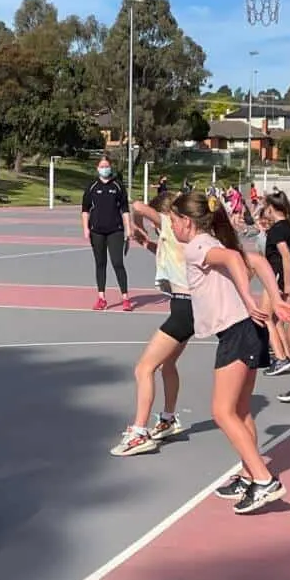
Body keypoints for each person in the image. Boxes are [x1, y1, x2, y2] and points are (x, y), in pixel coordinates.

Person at [173, 191, 290, 515]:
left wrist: (251, 299)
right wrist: (276, 296)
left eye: (173, 221)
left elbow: (238, 261)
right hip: (247, 331)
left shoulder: (199, 246)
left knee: (222, 412)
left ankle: (264, 480)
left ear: (186, 222)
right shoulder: (214, 241)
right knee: (241, 411)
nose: (172, 227)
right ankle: (248, 473)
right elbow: (256, 260)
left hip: (238, 332)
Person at [112, 192, 192, 457]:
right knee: (167, 364)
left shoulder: (169, 221)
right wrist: (147, 243)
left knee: (144, 368)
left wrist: (136, 224)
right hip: (188, 306)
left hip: (184, 307)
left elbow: (136, 205)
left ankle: (139, 432)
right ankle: (168, 418)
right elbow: (169, 255)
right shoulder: (180, 235)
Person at [82, 157, 132, 311]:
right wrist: (86, 228)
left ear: (111, 167)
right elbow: (85, 209)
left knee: (117, 263)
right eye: (102, 166)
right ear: (97, 168)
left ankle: (125, 298)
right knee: (100, 263)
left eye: (107, 166)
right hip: (97, 231)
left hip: (115, 230)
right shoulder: (92, 186)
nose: (104, 168)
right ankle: (101, 298)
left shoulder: (117, 185)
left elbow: (124, 209)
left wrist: (128, 229)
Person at [259, 190, 290, 377]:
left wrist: (287, 284)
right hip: (280, 277)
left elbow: (287, 256)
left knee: (265, 316)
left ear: (271, 208)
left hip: (276, 278)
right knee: (276, 319)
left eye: (265, 207)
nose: (263, 211)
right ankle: (286, 355)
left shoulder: (277, 230)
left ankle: (281, 358)